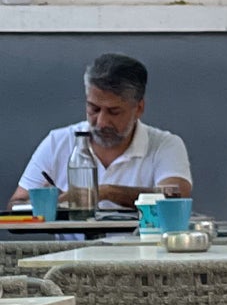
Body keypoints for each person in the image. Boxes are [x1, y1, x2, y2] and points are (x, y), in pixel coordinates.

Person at [10, 54, 192, 213]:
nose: (102, 122)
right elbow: (15, 204)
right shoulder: (58, 142)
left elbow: (175, 197)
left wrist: (106, 192)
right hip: (70, 252)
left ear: (139, 108)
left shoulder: (165, 145)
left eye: (114, 112)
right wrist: (48, 203)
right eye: (94, 109)